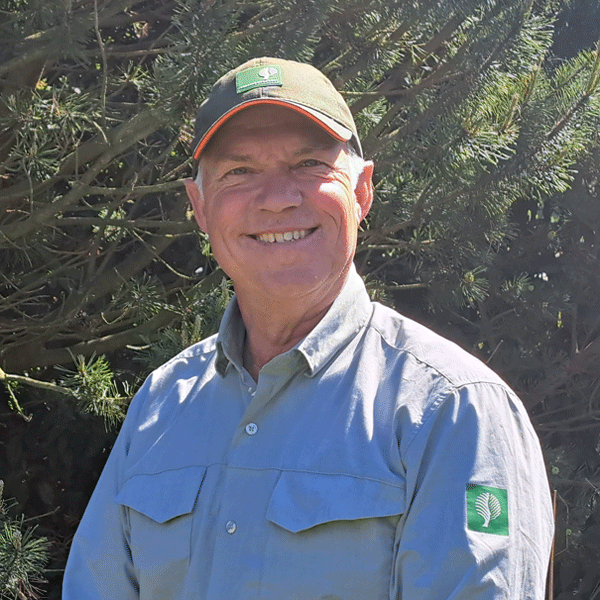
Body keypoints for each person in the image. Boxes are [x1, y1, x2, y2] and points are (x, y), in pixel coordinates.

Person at [62, 57, 554, 600]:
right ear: (199, 207)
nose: (278, 197)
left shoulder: (453, 410)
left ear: (361, 191)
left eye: (309, 164)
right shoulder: (161, 403)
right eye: (239, 172)